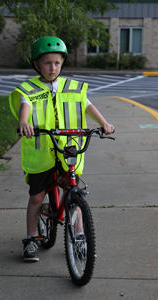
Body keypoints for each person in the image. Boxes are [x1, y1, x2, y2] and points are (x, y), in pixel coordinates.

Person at [9, 36, 114, 262]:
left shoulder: (72, 88)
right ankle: (30, 239)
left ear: (62, 64)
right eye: (47, 63)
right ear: (37, 64)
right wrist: (23, 122)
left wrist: (104, 123)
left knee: (73, 193)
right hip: (41, 152)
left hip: (68, 148)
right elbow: (25, 105)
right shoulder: (30, 88)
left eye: (57, 63)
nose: (53, 68)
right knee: (37, 197)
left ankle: (78, 235)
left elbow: (87, 105)